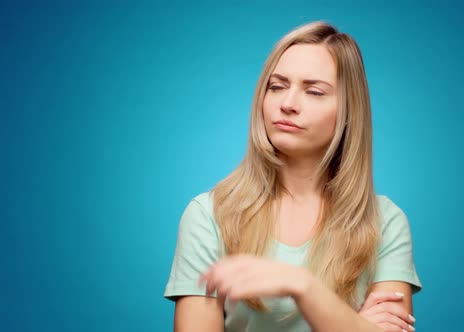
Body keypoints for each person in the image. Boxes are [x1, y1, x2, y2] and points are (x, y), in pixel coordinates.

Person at [163, 21, 422, 332]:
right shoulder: (209, 216)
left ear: (349, 111)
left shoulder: (385, 222)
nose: (287, 104)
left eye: (313, 91)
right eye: (276, 86)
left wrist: (302, 286)